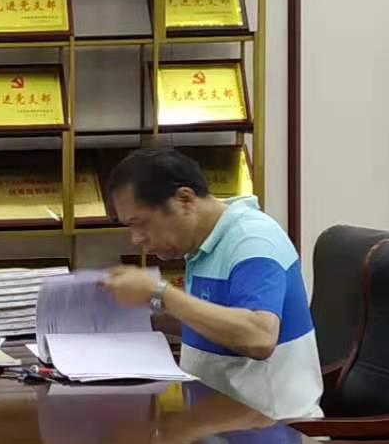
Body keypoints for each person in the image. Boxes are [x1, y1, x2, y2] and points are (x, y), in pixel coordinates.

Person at [99, 148, 322, 421]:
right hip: (218, 422)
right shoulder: (203, 244)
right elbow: (212, 325)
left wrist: (160, 292)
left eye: (141, 223)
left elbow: (260, 337)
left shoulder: (252, 240)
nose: (136, 239)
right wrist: (139, 318)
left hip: (275, 430)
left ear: (184, 200)